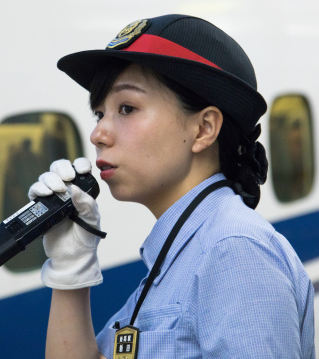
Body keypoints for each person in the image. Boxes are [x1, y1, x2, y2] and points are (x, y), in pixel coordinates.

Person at [28, 14, 315, 358]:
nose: (98, 134)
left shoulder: (234, 253)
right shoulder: (186, 249)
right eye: (99, 113)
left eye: (127, 108)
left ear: (204, 129)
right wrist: (70, 272)